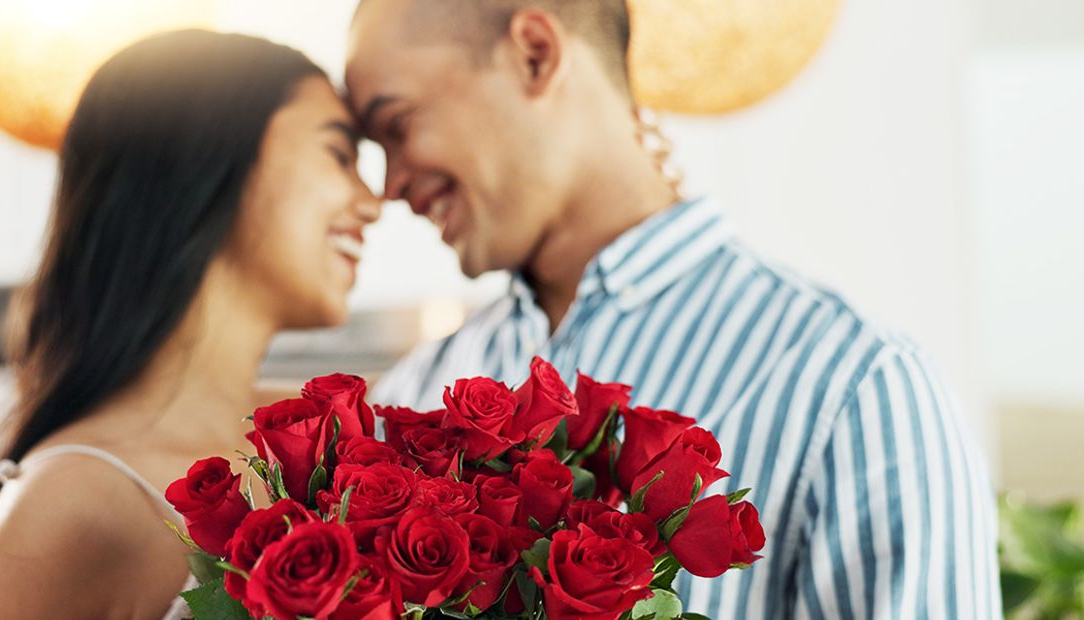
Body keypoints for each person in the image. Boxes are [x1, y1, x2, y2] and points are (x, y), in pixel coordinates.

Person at [350, 0, 1000, 617]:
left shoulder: (855, 386)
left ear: (536, 56)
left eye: (398, 125)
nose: (390, 187)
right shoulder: (412, 391)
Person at [0, 30, 379, 619]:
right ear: (210, 153)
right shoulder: (70, 504)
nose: (372, 202)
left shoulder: (346, 434)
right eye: (340, 155)